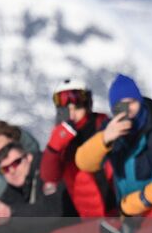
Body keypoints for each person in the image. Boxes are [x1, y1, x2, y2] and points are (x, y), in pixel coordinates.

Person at [75, 75, 152, 216]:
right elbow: (83, 162)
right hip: (133, 221)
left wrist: (129, 206)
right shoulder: (112, 131)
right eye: (120, 106)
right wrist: (105, 139)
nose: (127, 110)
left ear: (140, 102)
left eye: (131, 103)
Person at [40, 81, 113, 217]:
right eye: (66, 109)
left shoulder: (102, 125)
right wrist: (54, 147)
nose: (72, 114)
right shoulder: (60, 136)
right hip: (82, 211)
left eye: (77, 108)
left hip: (111, 203)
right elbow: (49, 176)